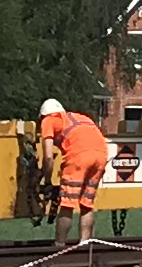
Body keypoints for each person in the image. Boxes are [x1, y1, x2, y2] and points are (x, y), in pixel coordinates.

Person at [33, 97, 111, 239]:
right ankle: (85, 245)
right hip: (101, 155)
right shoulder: (80, 117)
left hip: (78, 158)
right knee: (86, 205)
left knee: (67, 205)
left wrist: (48, 181)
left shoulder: (48, 120)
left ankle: (59, 246)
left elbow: (48, 157)